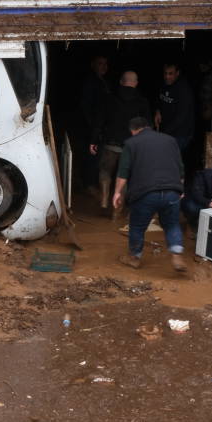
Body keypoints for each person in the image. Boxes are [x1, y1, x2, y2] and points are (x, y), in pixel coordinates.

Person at [112, 116, 187, 272]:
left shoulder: (131, 143)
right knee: (172, 224)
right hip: (172, 191)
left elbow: (123, 172)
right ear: (149, 127)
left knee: (137, 226)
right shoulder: (170, 140)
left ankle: (134, 258)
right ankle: (176, 254)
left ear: (133, 130)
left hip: (145, 193)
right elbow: (180, 169)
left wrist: (117, 193)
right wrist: (179, 189)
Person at [91, 71, 151, 211]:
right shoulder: (142, 102)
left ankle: (105, 199)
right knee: (123, 177)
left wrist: (93, 141)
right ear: (136, 83)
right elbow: (147, 126)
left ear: (121, 82)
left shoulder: (108, 98)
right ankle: (117, 210)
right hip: (131, 147)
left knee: (105, 171)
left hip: (110, 144)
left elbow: (98, 122)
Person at [76, 55, 110, 189]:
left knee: (97, 155)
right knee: (92, 154)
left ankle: (91, 182)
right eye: (100, 63)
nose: (104, 67)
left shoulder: (104, 81)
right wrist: (93, 128)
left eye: (105, 64)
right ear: (93, 65)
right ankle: (89, 184)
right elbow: (85, 106)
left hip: (100, 125)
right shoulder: (90, 82)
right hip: (92, 126)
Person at [155, 62, 194, 154]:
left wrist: (163, 133)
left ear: (177, 73)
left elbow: (181, 117)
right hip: (166, 132)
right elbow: (158, 99)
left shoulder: (184, 89)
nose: (167, 76)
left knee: (168, 160)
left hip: (180, 134)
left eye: (170, 74)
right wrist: (157, 111)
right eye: (165, 73)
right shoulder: (164, 83)